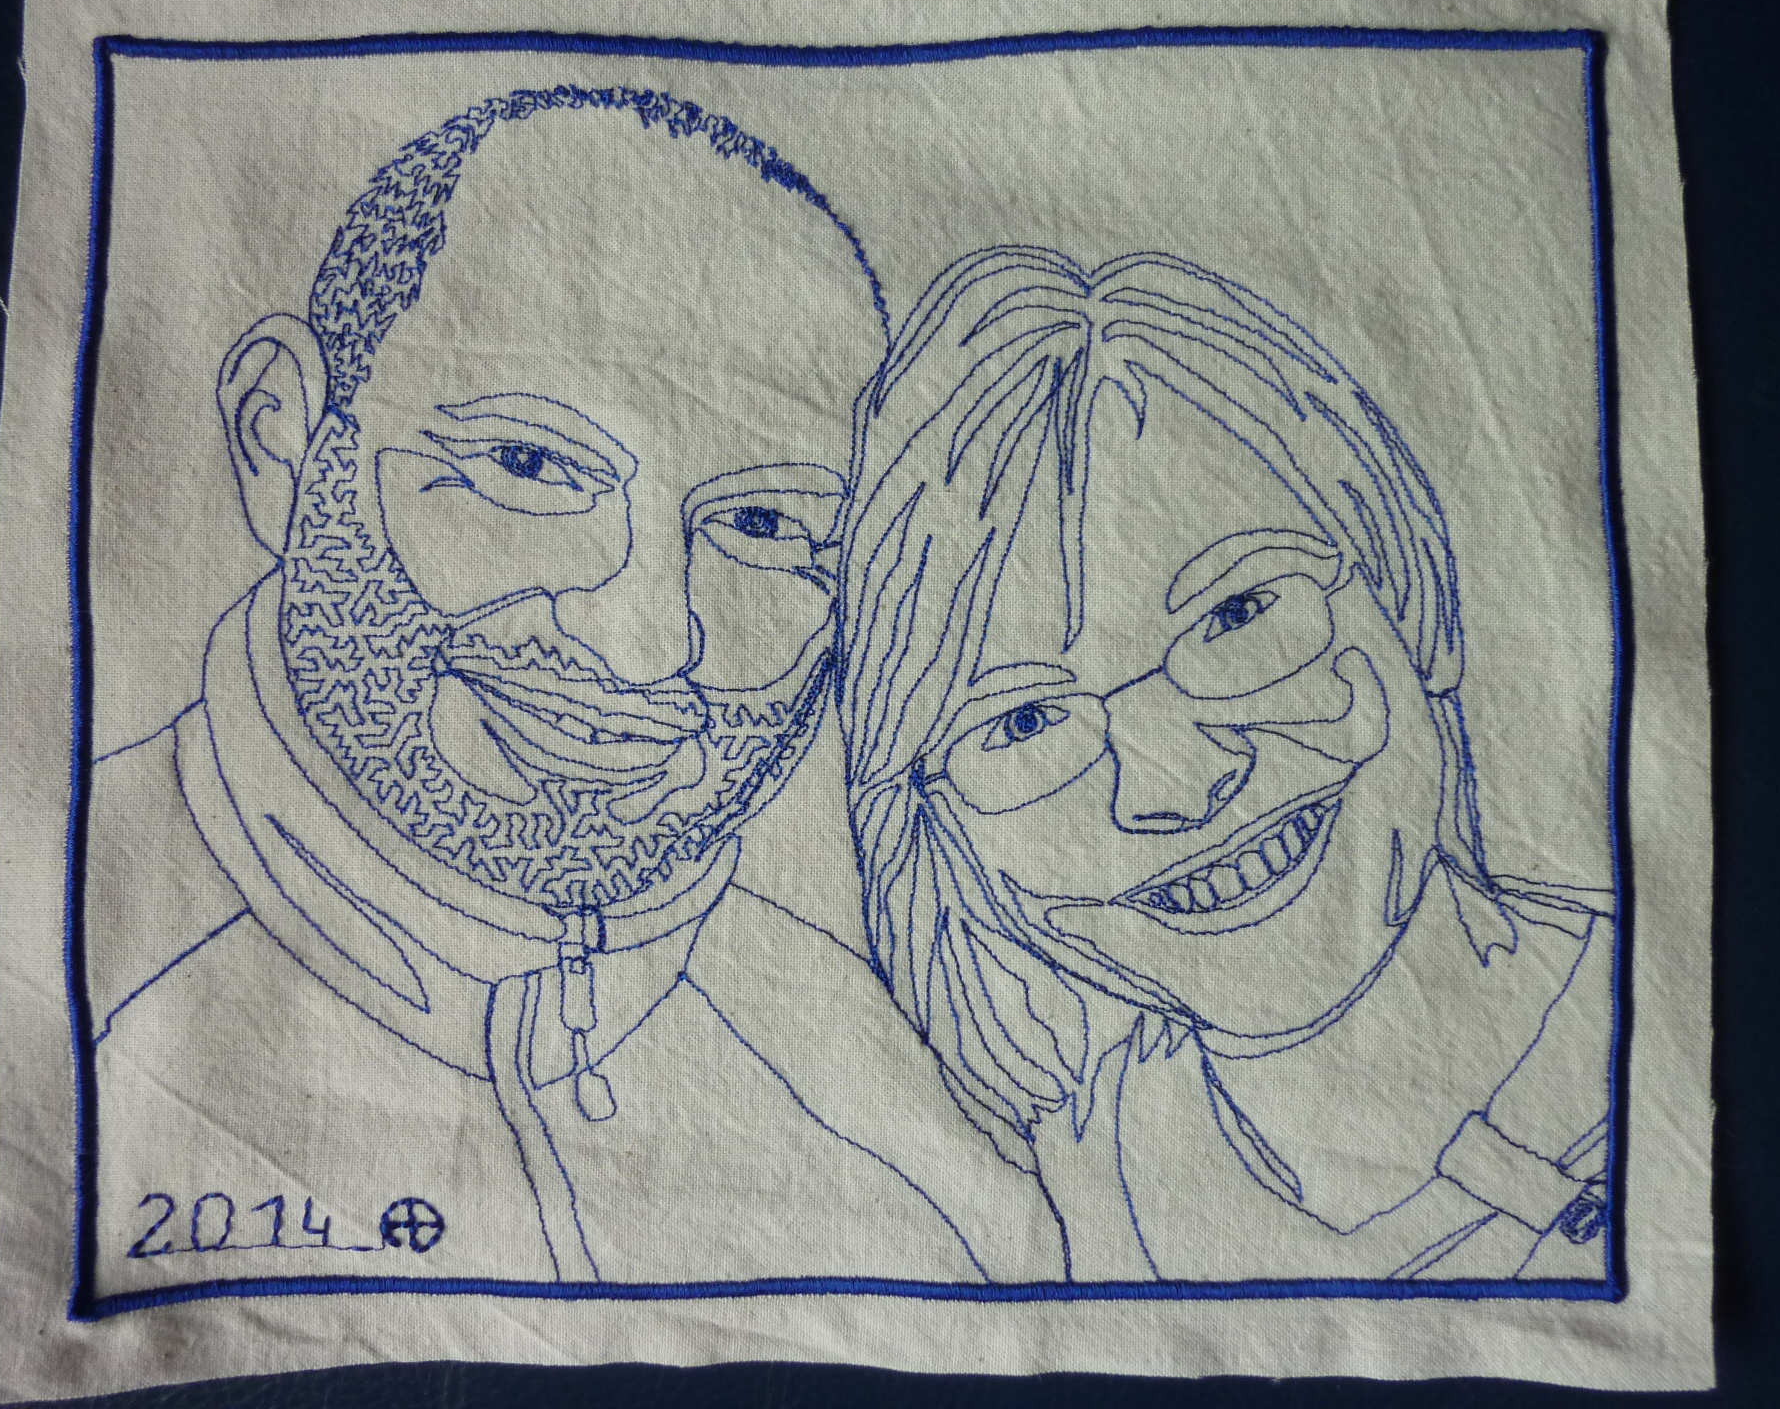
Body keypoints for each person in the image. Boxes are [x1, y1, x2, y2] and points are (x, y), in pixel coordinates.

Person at [86, 89, 1057, 1295]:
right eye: (528, 465)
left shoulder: (926, 1160)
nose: (645, 647)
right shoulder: (76, 983)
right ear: (282, 440)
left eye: (764, 525)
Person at [839, 246, 1614, 1282]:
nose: (1175, 786)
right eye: (1023, 721)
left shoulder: (1656, 1035)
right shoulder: (1082, 1176)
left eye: (1238, 612)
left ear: (1405, 591)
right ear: (930, 818)